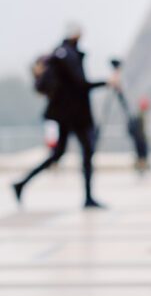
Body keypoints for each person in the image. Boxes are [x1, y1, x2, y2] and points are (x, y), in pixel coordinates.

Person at [11, 23, 120, 209]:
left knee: (61, 154)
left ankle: (22, 183)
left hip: (67, 114)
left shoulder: (62, 53)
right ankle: (87, 197)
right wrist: (106, 82)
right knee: (85, 152)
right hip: (75, 114)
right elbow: (80, 84)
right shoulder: (68, 55)